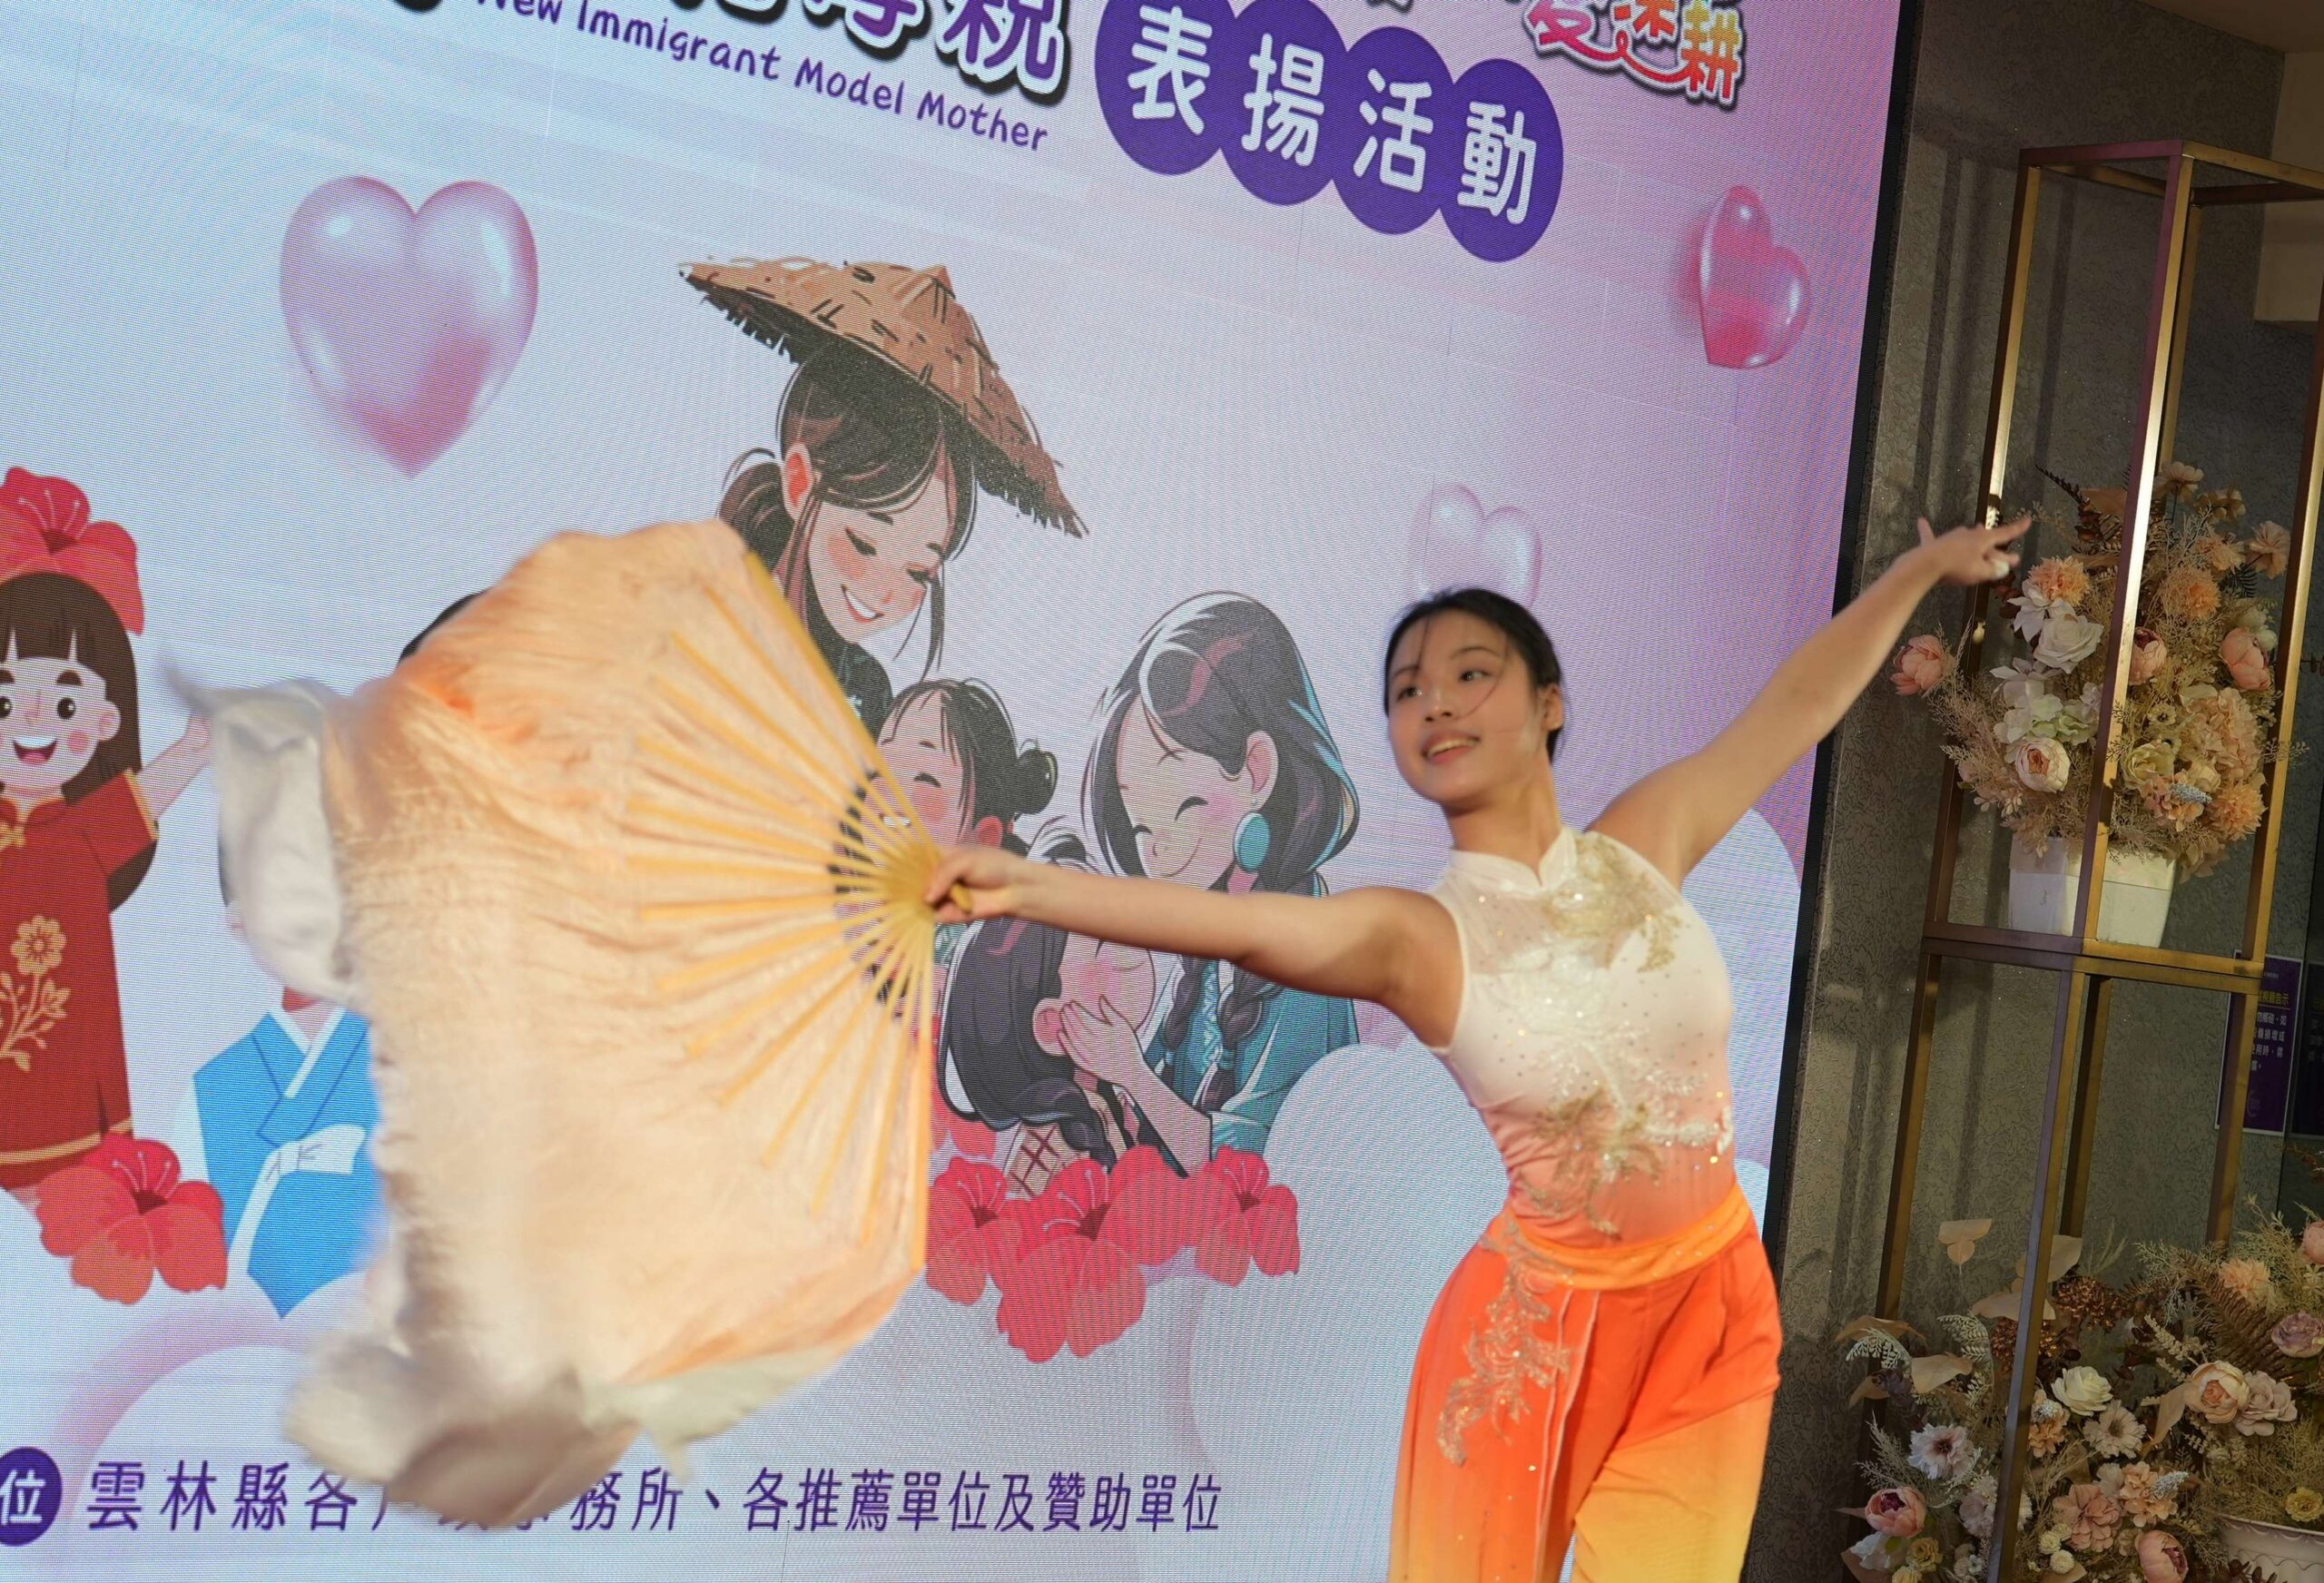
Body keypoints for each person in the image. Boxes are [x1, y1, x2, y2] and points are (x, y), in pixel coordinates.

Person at [928, 514, 2031, 1581]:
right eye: (1409, 689)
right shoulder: (1418, 938)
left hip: (1710, 1309)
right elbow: (1236, 925)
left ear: (1548, 704)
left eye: (1471, 674)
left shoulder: (1646, 837)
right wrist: (1025, 888)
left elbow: (1797, 705)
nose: (1437, 702)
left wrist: (1916, 574)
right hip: (1526, 1345)